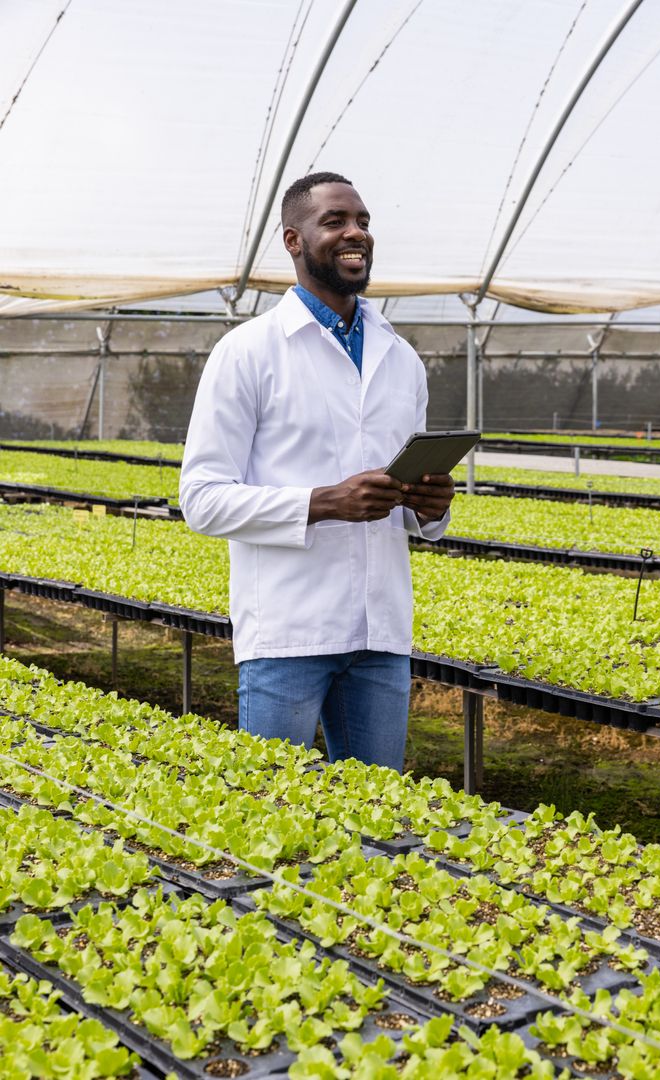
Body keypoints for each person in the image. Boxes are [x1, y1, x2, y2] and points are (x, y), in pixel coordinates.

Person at [180, 171, 454, 771]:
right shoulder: (248, 352)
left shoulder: (401, 359)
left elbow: (409, 509)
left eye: (363, 222)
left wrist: (429, 508)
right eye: (335, 222)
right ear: (293, 240)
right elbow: (201, 499)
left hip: (379, 632)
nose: (356, 233)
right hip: (288, 632)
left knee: (377, 824)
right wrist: (324, 502)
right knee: (275, 818)